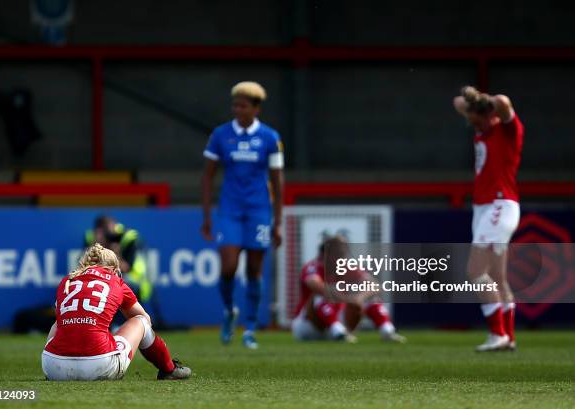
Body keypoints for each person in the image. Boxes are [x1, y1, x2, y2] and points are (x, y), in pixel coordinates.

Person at [201, 81, 284, 349]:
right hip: (230, 209)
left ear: (256, 108)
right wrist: (207, 216)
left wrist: (278, 222)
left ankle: (249, 329)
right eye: (235, 104)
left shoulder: (270, 138)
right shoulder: (221, 135)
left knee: (254, 270)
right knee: (228, 266)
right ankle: (228, 311)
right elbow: (208, 176)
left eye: (243, 105)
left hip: (259, 210)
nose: (237, 109)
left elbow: (278, 181)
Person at [41, 243, 191, 381]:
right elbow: (144, 318)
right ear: (113, 268)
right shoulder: (115, 280)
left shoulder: (67, 279)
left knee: (59, 322)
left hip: (53, 366)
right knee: (142, 322)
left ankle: (54, 367)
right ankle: (169, 369)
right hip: (98, 364)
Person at [453, 86, 524, 352]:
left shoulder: (508, 130)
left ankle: (498, 334)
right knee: (496, 276)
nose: (472, 124)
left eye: (475, 119)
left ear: (486, 115)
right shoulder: (482, 128)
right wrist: (476, 103)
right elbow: (458, 101)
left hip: (499, 204)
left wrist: (487, 103)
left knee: (475, 271)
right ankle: (509, 337)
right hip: (484, 208)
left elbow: (503, 101)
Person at [292, 236, 405, 343]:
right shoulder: (313, 266)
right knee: (323, 294)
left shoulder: (347, 267)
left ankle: (388, 331)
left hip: (335, 321)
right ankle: (338, 332)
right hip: (308, 325)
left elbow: (374, 285)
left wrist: (357, 298)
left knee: (371, 298)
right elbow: (314, 284)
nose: (342, 255)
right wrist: (345, 298)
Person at [84, 215, 152, 306]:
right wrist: (98, 246)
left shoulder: (128, 237)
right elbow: (85, 266)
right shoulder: (92, 237)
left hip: (132, 280)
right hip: (105, 281)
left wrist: (114, 254)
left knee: (116, 287)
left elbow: (126, 268)